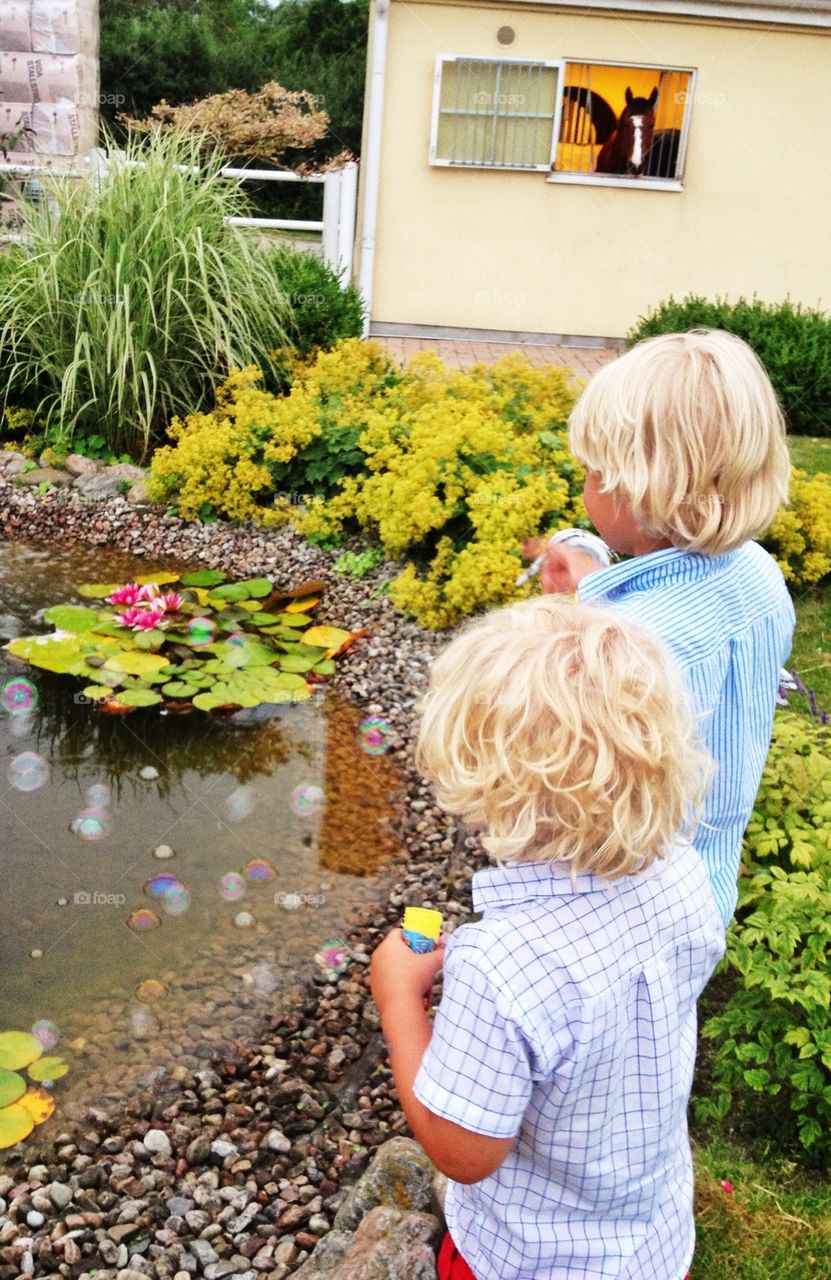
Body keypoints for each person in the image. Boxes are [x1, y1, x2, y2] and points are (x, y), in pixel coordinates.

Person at [370, 597, 725, 1280]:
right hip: (650, 1242)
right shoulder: (683, 872)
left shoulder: (501, 965)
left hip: (533, 1260)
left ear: (482, 781)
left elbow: (461, 1152)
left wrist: (399, 1004)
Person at [524, 329, 795, 925]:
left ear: (641, 489)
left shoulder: (633, 651)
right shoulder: (758, 572)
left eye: (593, 473)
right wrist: (592, 576)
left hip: (622, 921)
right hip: (704, 889)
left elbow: (585, 809)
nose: (585, 485)